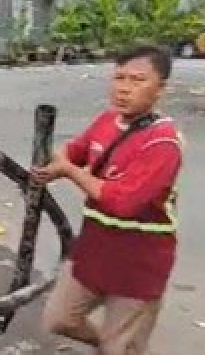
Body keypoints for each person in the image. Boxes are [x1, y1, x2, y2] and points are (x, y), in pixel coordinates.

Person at [34, 44, 183, 355]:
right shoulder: (107, 120)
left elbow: (122, 203)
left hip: (138, 262)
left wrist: (69, 171)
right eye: (119, 78)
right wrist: (50, 162)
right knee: (59, 319)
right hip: (94, 250)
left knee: (121, 346)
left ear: (160, 88)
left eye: (137, 80)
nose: (124, 88)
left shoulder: (163, 143)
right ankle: (108, 344)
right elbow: (75, 150)